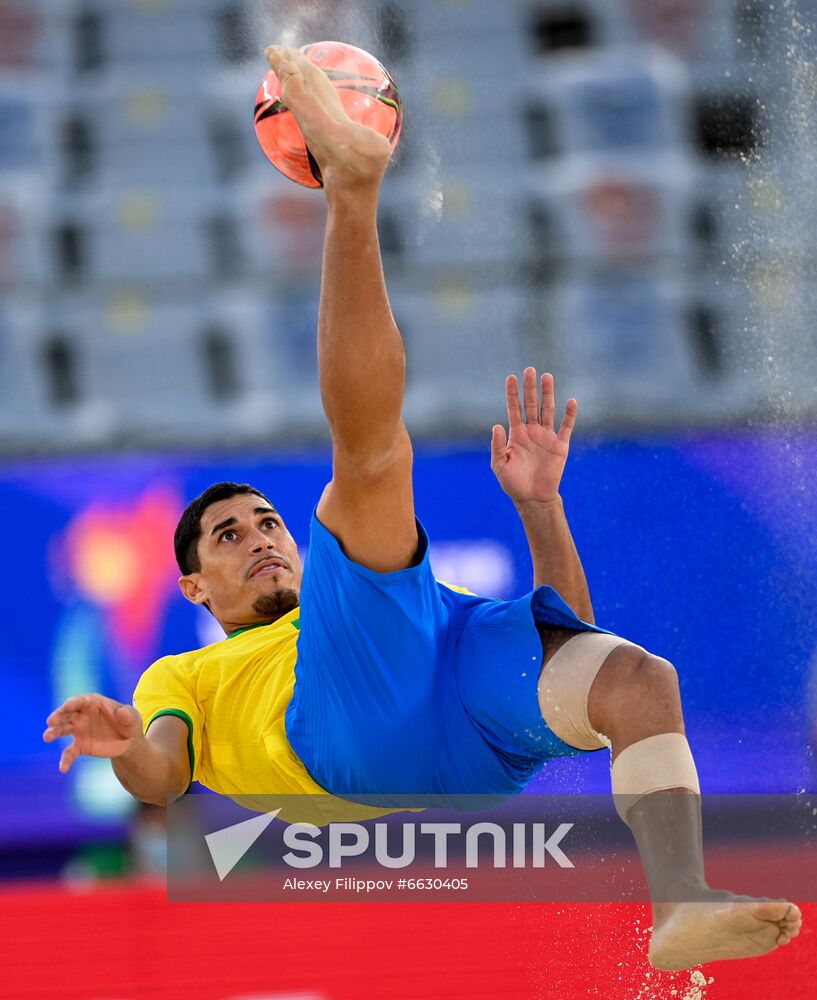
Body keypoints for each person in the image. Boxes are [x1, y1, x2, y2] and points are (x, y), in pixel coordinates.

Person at [44, 45, 801, 971]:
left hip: (459, 740)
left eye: (267, 523)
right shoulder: (181, 679)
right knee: (368, 464)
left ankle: (678, 903)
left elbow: (572, 645)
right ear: (194, 586)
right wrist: (125, 745)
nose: (263, 540)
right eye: (229, 536)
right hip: (339, 740)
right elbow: (161, 775)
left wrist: (539, 506)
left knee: (638, 682)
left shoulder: (402, 614)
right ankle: (350, 194)